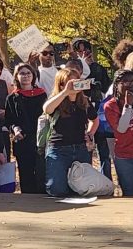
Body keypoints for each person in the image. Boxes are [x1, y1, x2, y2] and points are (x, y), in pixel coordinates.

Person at [42, 61, 98, 197]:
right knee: (57, 189)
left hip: (80, 147)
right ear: (61, 84)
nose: (75, 84)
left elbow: (94, 120)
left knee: (81, 188)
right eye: (70, 82)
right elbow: (47, 109)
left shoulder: (84, 101)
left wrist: (90, 134)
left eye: (77, 81)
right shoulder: (57, 100)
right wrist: (65, 92)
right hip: (58, 149)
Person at [104, 70, 133, 197]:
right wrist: (128, 106)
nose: (129, 85)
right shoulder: (110, 106)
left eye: (132, 81)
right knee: (130, 194)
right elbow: (121, 129)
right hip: (125, 158)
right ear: (116, 84)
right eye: (124, 81)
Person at [5, 63, 47, 194]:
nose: (26, 76)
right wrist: (15, 129)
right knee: (26, 174)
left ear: (33, 76)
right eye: (22, 73)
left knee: (41, 172)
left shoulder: (42, 94)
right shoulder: (12, 98)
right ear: (17, 76)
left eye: (28, 73)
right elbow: (9, 120)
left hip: (40, 139)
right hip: (22, 140)